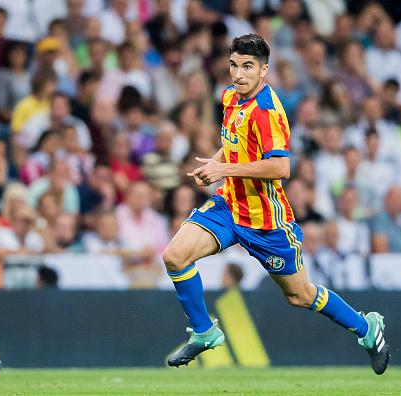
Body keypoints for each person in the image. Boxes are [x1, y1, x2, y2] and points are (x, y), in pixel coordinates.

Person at [163, 34, 389, 374]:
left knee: (300, 295)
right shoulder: (229, 96)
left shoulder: (268, 112)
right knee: (174, 256)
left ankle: (367, 328)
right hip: (229, 205)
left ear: (264, 70)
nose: (238, 74)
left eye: (248, 67)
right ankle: (204, 331)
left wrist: (223, 169)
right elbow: (234, 142)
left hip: (266, 219)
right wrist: (214, 163)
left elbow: (281, 168)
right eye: (234, 66)